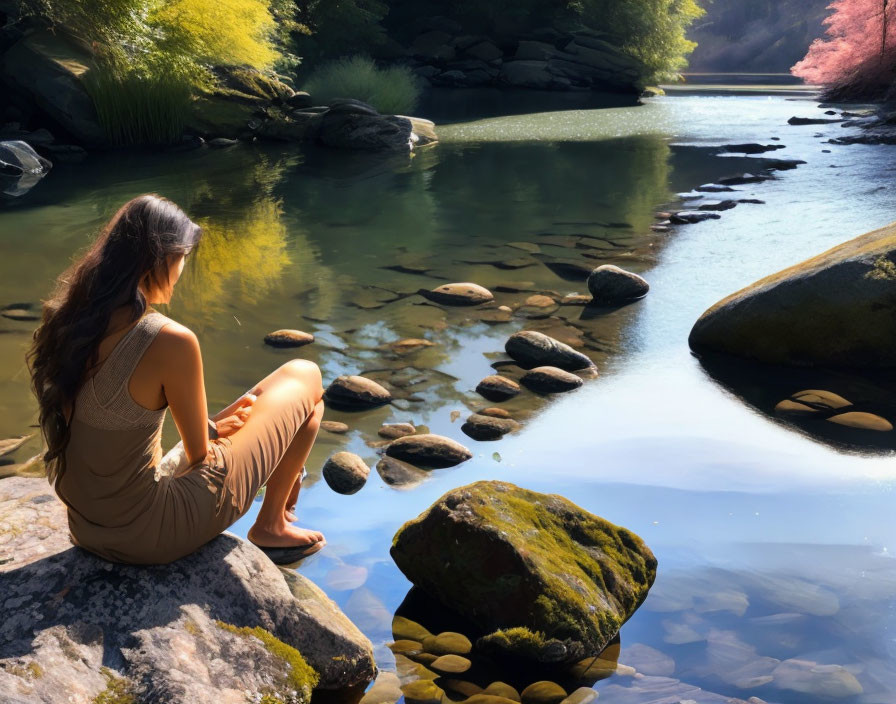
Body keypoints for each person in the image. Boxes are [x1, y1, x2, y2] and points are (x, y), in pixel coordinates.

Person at [26, 194, 325, 565]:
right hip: (149, 533)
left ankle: (274, 518)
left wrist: (213, 426)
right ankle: (271, 524)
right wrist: (225, 436)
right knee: (306, 376)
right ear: (161, 259)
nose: (183, 269)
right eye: (183, 258)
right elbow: (200, 455)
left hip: (88, 529)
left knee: (293, 412)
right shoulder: (167, 339)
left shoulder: (72, 321)